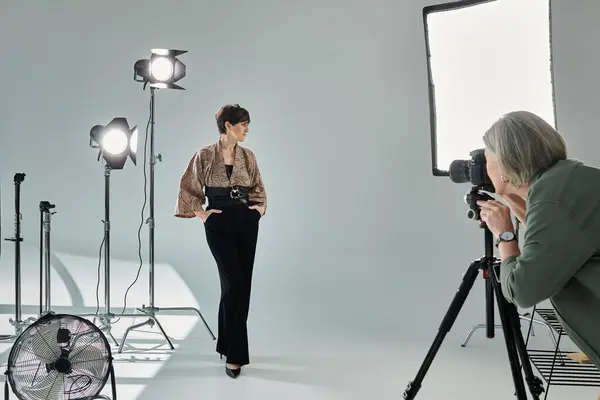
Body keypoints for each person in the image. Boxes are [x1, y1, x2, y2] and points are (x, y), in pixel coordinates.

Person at [476, 110, 600, 369]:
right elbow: (551, 238)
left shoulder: (552, 200)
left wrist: (505, 234)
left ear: (505, 165)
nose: (483, 168)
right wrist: (510, 195)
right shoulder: (569, 180)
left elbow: (523, 290)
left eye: (485, 159)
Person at [174, 104, 267, 379]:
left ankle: (226, 345)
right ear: (228, 125)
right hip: (219, 223)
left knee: (239, 286)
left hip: (246, 222)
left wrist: (258, 210)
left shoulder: (248, 156)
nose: (247, 128)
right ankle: (235, 356)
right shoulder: (204, 155)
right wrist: (202, 214)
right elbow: (188, 187)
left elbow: (258, 187)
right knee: (234, 282)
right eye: (243, 123)